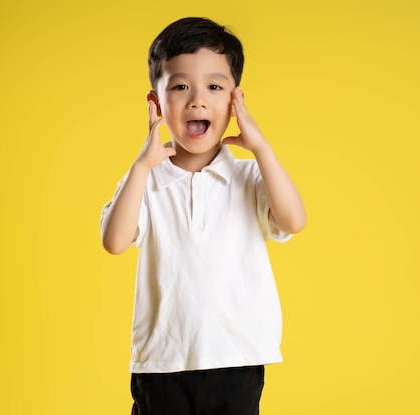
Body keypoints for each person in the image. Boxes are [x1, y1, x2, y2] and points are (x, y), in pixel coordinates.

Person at [100, 17, 307, 415]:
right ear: (156, 104)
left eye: (214, 87)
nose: (197, 100)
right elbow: (114, 242)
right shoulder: (145, 179)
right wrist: (142, 167)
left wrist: (261, 147)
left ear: (235, 101)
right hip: (163, 362)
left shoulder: (249, 177)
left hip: (238, 358)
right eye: (180, 87)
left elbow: (293, 220)